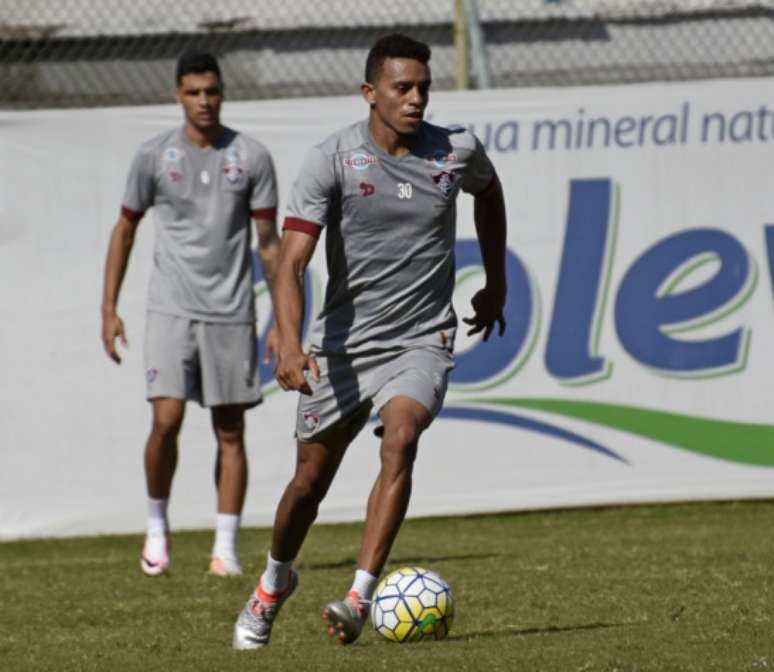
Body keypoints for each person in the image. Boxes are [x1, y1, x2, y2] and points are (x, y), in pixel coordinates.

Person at [233, 33, 507, 648]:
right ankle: (273, 583)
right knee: (309, 482)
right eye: (402, 88)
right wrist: (289, 340)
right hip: (342, 347)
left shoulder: (456, 150)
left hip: (421, 339)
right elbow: (292, 261)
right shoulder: (331, 159)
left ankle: (359, 596)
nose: (416, 100)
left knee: (402, 437)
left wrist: (496, 282)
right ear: (370, 93)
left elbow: (489, 195)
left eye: (423, 89)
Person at [101, 51, 280, 578]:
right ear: (177, 94)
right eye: (194, 92)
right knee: (167, 419)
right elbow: (125, 229)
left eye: (213, 91)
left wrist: (286, 327)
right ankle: (157, 525)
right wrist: (108, 309)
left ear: (223, 94)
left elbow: (268, 245)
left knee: (230, 428)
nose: (205, 101)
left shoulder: (251, 156)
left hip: (231, 310)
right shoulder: (154, 156)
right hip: (171, 306)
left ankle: (225, 547)